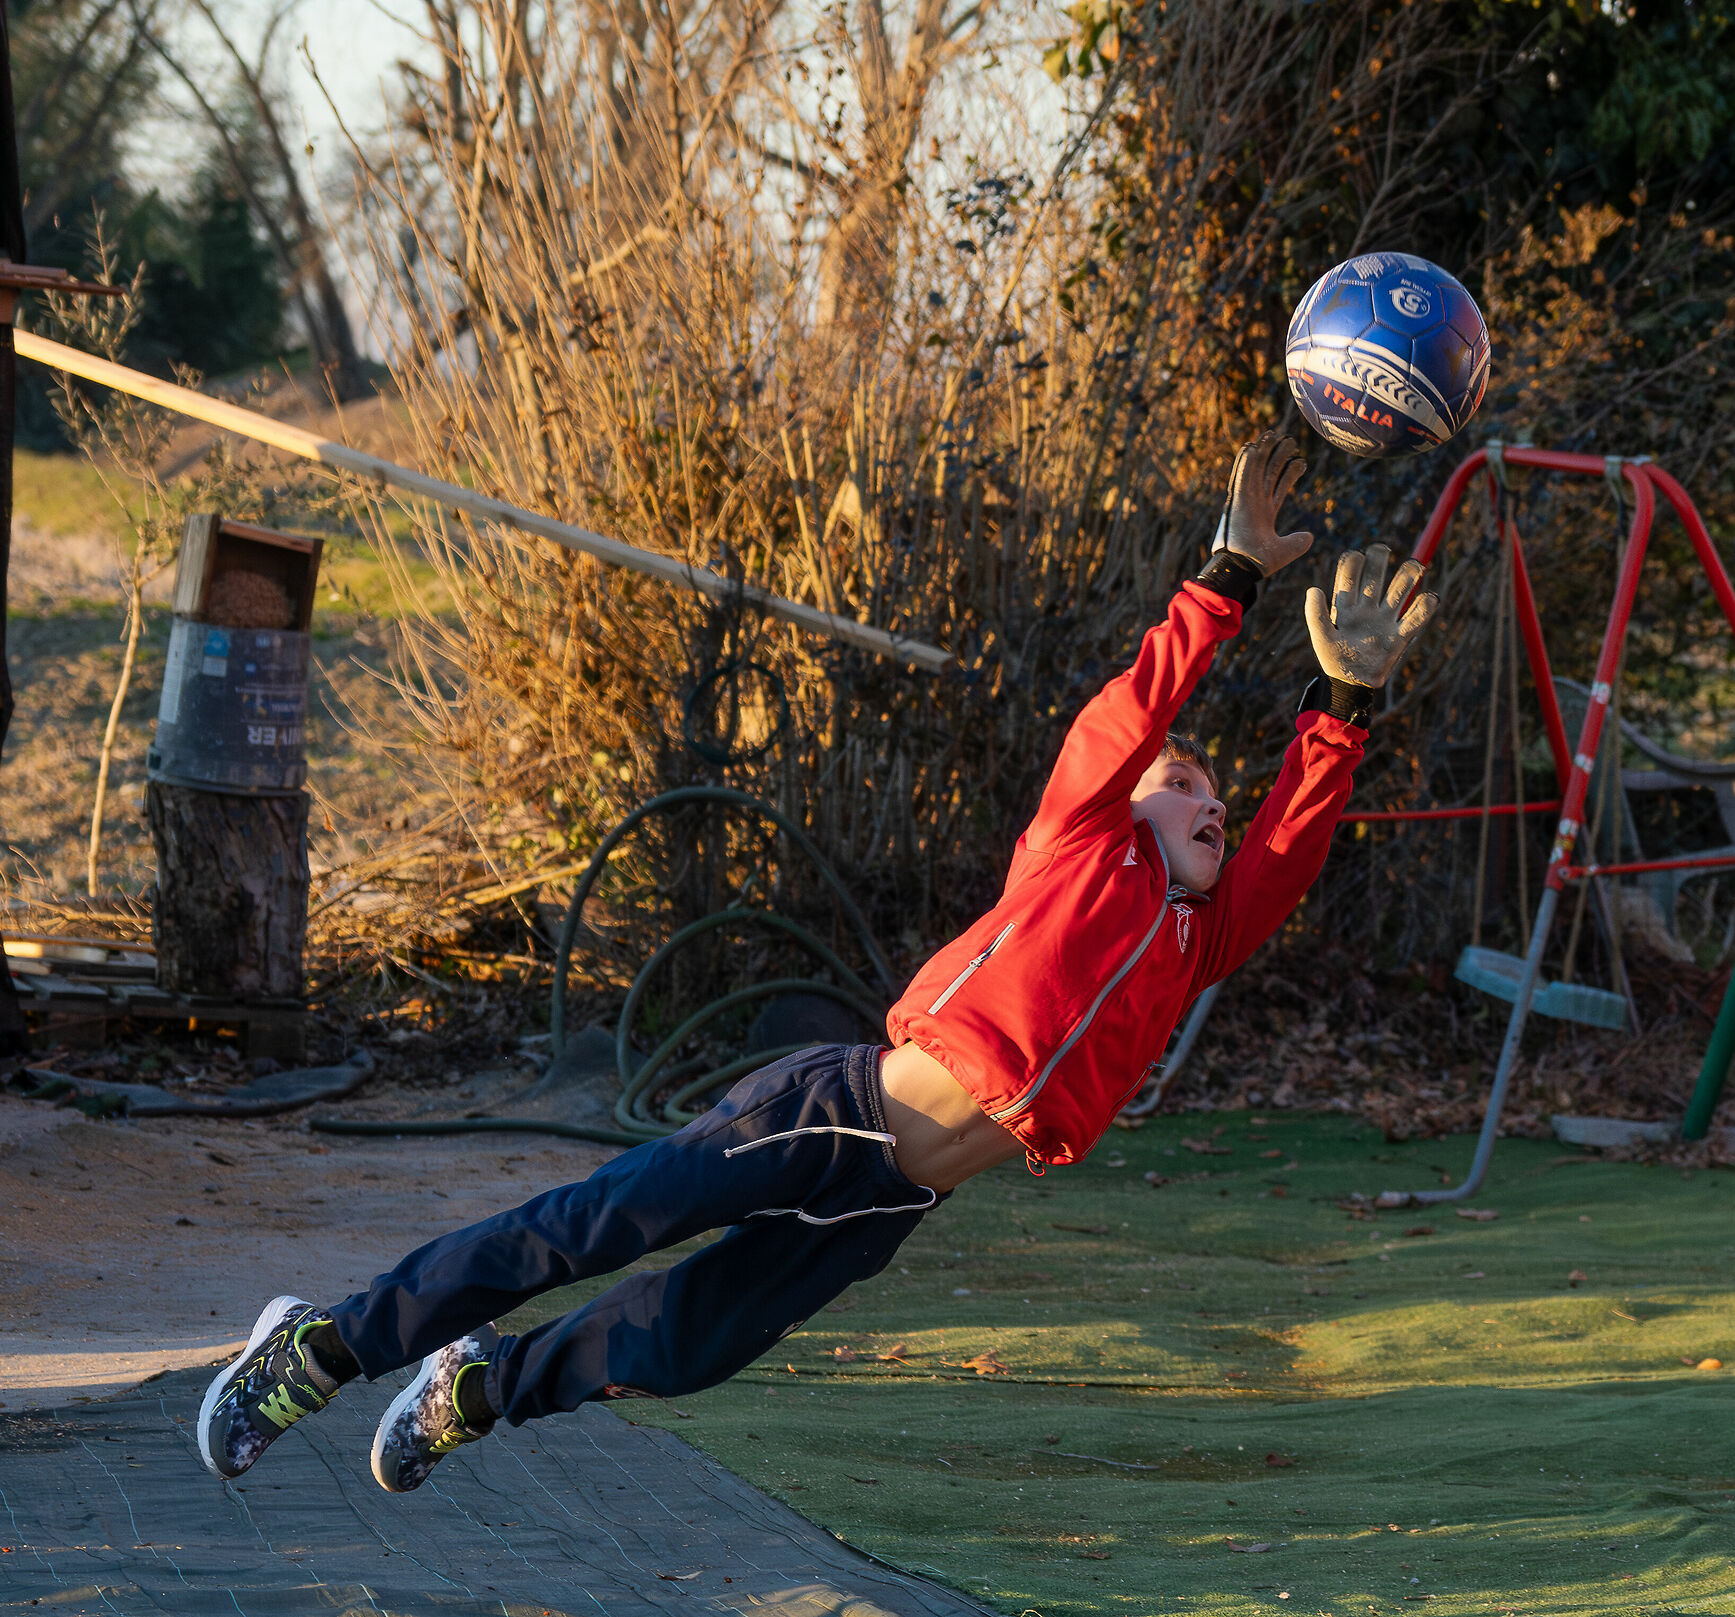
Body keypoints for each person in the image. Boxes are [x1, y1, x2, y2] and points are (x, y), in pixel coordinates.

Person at [195, 432, 1438, 1492]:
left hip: (895, 1197)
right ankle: (326, 1348)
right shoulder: (1080, 844)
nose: (1211, 803)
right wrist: (1224, 582)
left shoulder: (1193, 939)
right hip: (834, 1111)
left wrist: (1345, 706)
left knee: (684, 1344)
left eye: (1219, 798)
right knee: (584, 1230)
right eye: (1185, 785)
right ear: (1129, 806)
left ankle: (477, 1387)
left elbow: (1283, 854)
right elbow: (1125, 720)